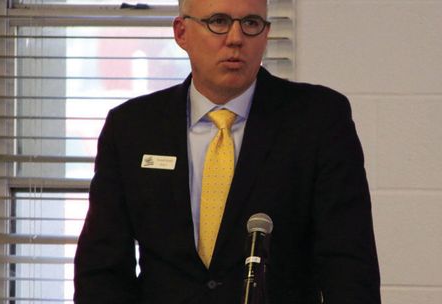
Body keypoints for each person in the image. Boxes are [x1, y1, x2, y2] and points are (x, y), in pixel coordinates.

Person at [74, 0, 381, 303]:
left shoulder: (318, 120)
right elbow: (101, 269)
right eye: (218, 22)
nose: (235, 39)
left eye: (250, 24)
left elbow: (349, 267)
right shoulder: (132, 127)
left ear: (266, 33)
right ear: (181, 32)